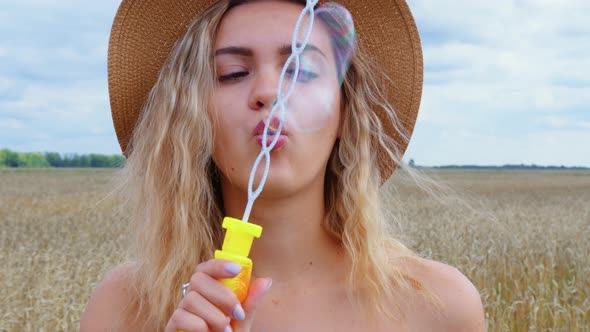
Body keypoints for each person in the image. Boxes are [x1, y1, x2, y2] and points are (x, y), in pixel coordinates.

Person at [81, 0, 485, 331]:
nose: (269, 93)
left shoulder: (440, 308)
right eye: (233, 73)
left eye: (302, 71)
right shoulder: (122, 310)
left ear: (346, 114)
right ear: (191, 118)